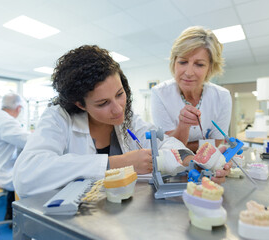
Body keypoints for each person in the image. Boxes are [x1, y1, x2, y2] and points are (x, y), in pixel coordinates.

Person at [13, 45, 231, 198]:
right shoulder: (58, 119)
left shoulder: (128, 120)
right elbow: (26, 176)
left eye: (120, 94)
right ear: (80, 104)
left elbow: (164, 143)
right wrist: (116, 163)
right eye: (102, 103)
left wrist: (194, 161)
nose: (118, 109)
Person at [151, 26, 232, 153]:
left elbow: (217, 141)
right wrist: (183, 126)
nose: (189, 73)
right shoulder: (160, 93)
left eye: (199, 64)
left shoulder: (222, 96)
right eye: (183, 62)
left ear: (210, 68)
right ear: (174, 62)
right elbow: (167, 147)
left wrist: (179, 142)